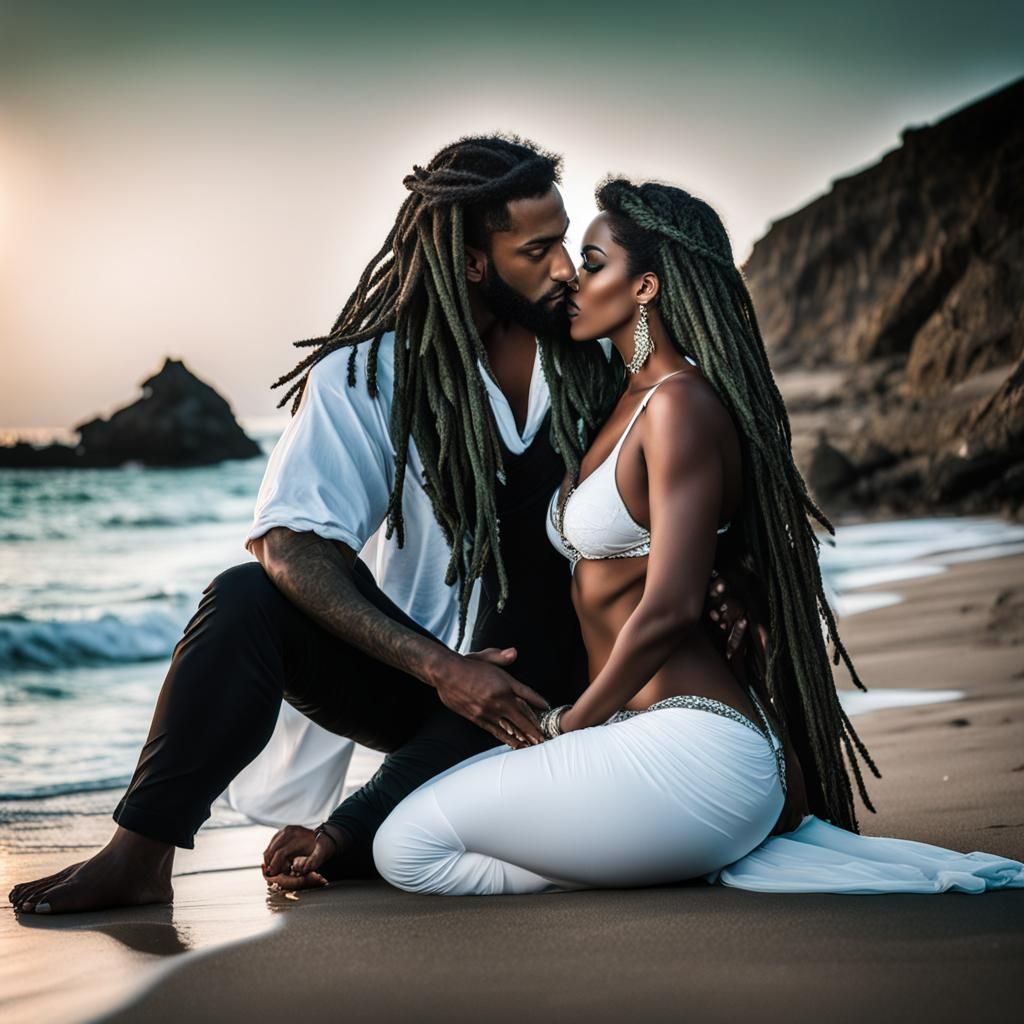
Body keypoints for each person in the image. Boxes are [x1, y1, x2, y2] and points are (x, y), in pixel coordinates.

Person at [7, 138, 749, 917]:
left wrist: (734, 576)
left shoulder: (596, 359)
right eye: (537, 249)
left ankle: (372, 824)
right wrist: (439, 667)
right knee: (243, 599)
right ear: (471, 263)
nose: (565, 267)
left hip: (564, 680)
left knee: (537, 603)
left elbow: (686, 473)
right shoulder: (367, 375)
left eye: (567, 243)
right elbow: (288, 542)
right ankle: (138, 855)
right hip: (415, 675)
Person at [366, 179, 1024, 897]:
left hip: (695, 743)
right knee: (410, 843)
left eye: (592, 263)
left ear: (644, 284)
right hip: (643, 739)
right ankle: (656, 852)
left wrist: (571, 723)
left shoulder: (678, 404)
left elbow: (672, 606)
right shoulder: (623, 402)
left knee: (409, 843)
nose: (571, 280)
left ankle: (670, 846)